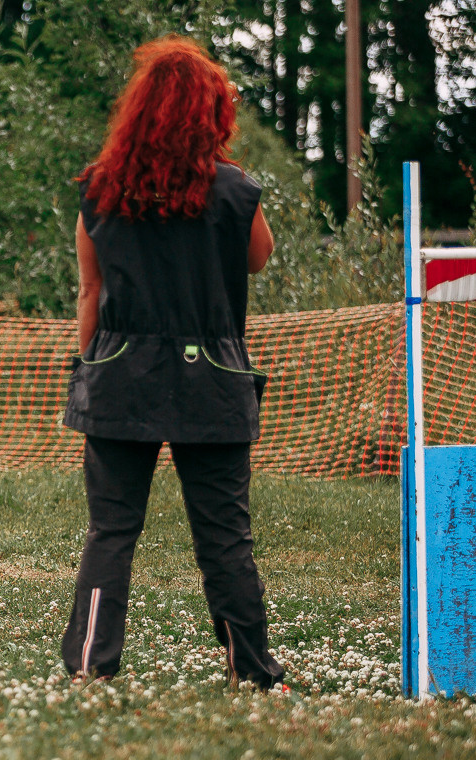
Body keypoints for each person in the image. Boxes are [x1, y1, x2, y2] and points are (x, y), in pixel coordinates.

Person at [59, 36, 285, 689]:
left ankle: (88, 666)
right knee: (225, 537)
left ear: (139, 110)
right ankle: (254, 669)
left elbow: (90, 292)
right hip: (214, 378)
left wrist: (91, 366)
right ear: (209, 112)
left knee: (111, 529)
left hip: (120, 373)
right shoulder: (237, 190)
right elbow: (258, 258)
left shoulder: (100, 188)